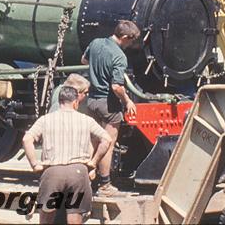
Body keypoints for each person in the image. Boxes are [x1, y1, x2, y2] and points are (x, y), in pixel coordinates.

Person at [23, 85, 112, 224]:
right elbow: (107, 139)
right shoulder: (86, 120)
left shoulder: (45, 119)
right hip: (78, 173)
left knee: (46, 218)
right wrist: (93, 162)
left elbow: (26, 139)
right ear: (76, 102)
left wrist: (34, 164)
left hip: (52, 172)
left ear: (59, 102)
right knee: (74, 217)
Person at [81, 20, 141, 196]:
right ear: (124, 37)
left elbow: (83, 60)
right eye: (130, 41)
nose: (130, 45)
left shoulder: (96, 43)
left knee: (93, 141)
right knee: (107, 142)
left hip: (91, 101)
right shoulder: (119, 56)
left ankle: (87, 179)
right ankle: (105, 184)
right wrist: (128, 101)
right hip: (108, 104)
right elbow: (116, 87)